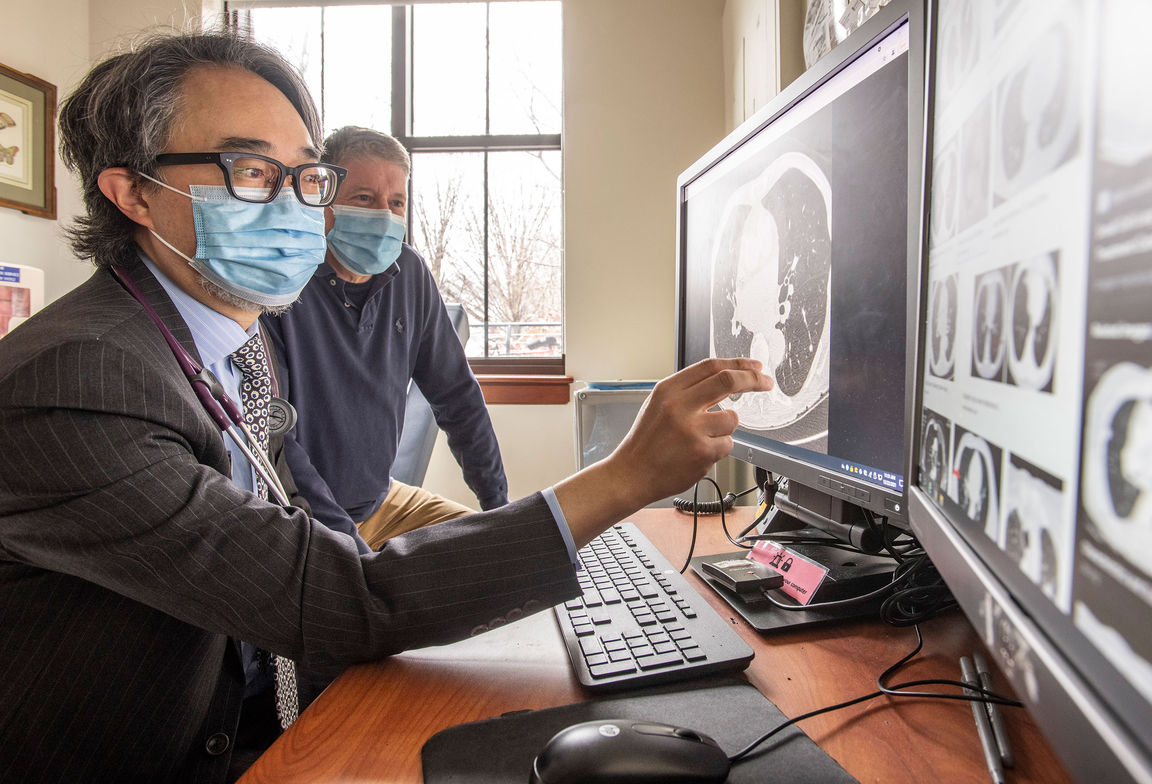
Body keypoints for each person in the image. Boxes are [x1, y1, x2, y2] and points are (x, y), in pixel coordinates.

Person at [0, 29, 771, 783]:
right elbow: (331, 593)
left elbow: (326, 490)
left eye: (304, 177)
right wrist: (624, 477)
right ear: (133, 191)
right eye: (250, 172)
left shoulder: (239, 340)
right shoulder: (80, 380)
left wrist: (475, 531)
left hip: (281, 684)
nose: (298, 205)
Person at [261, 126, 503, 551]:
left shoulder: (410, 274)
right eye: (364, 199)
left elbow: (458, 398)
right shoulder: (279, 284)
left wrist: (498, 508)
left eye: (396, 203)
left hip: (384, 501)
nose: (384, 215)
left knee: (506, 555)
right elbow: (280, 443)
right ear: (322, 197)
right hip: (303, 523)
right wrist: (353, 551)